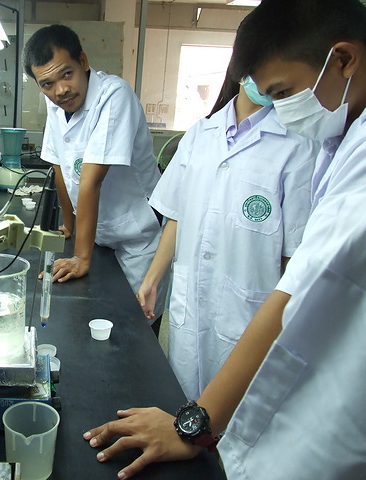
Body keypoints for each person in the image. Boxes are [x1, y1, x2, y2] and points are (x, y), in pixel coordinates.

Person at [83, 0, 366, 478]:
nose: (280, 104)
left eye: (283, 91)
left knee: (228, 442)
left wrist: (193, 424)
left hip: (263, 334)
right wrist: (154, 277)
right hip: (199, 318)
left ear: (342, 59)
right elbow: (178, 212)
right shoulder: (209, 134)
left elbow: (298, 279)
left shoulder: (311, 145)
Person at [137, 68, 319, 401]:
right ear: (241, 67)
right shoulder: (200, 134)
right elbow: (177, 214)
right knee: (183, 404)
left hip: (248, 313)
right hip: (189, 306)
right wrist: (152, 279)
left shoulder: (299, 146)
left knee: (233, 412)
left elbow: (294, 254)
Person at [23, 25, 170, 322]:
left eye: (67, 74)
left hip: (138, 233)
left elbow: (91, 180)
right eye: (47, 84)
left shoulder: (114, 96)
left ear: (83, 62)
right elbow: (60, 167)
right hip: (101, 229)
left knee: (135, 323)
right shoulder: (56, 105)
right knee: (98, 317)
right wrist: (69, 225)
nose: (60, 90)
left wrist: (81, 256)